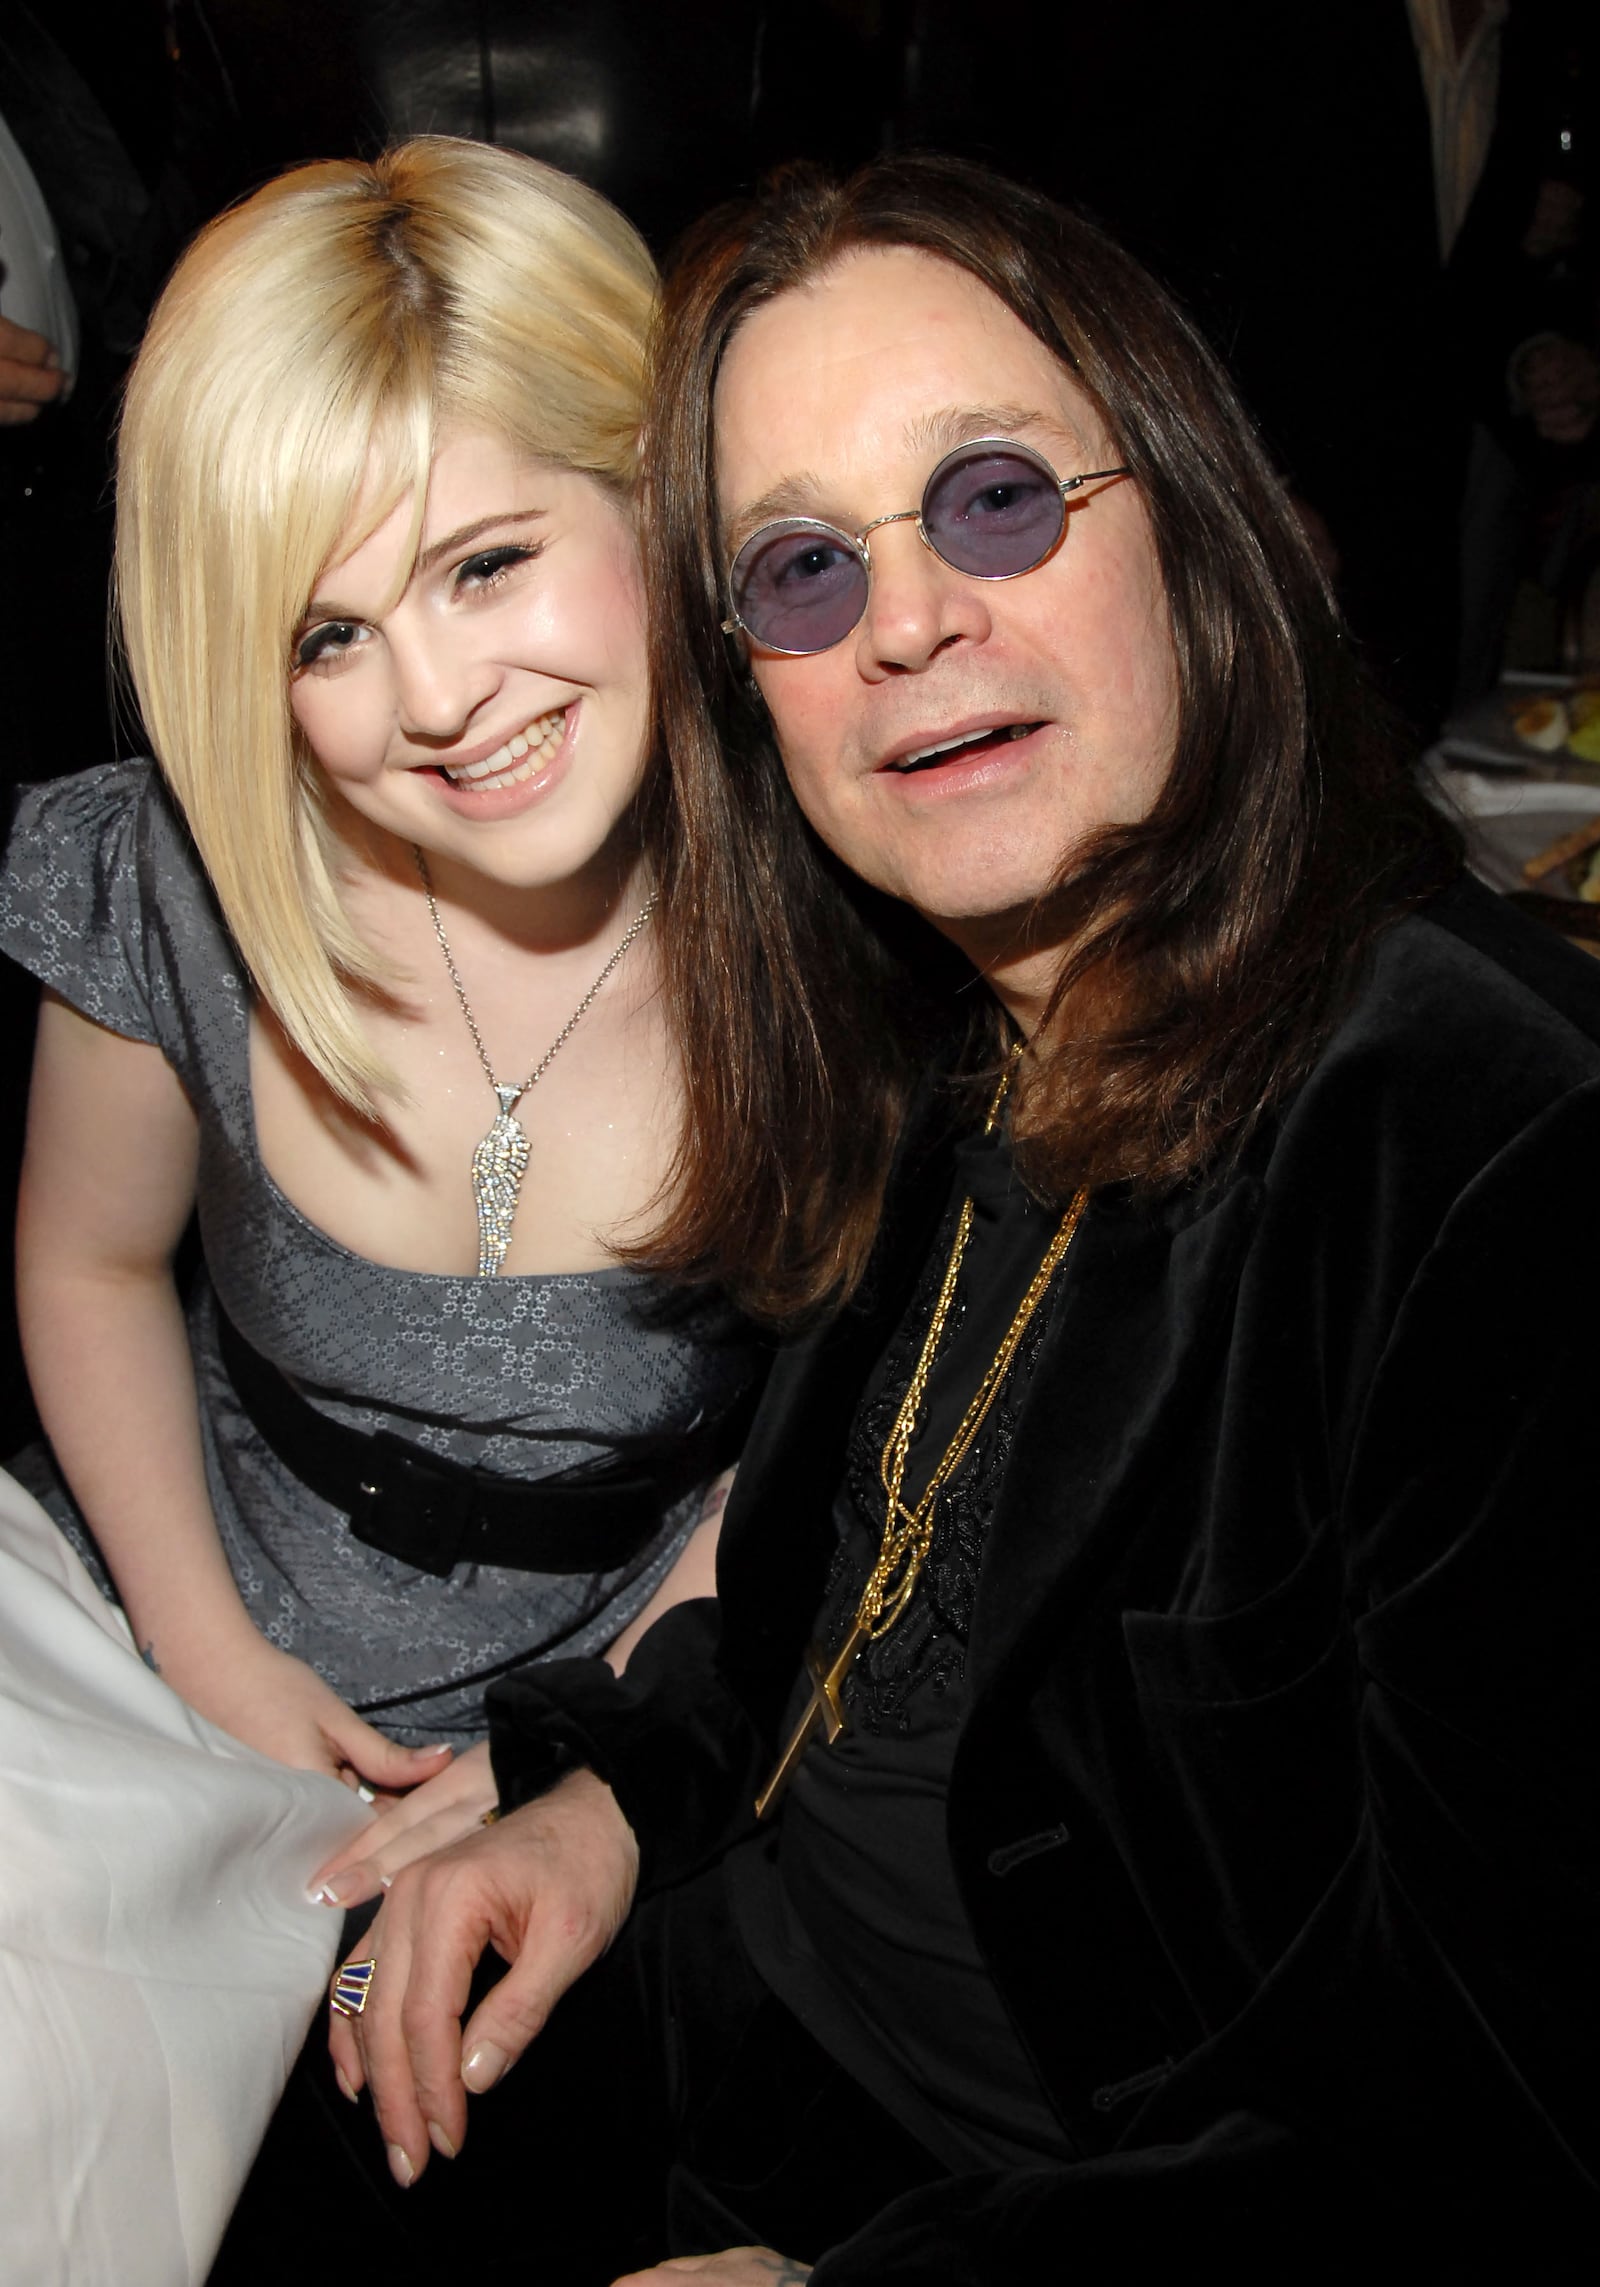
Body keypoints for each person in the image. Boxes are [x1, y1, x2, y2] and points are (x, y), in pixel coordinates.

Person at [276, 157, 1598, 2279]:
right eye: (796, 569)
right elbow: (834, 1593)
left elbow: (1503, 2129)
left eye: (990, 500)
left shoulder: (1489, 1148)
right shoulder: (938, 1023)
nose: (901, 620)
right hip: (741, 2013)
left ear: (1192, 511)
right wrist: (604, 1806)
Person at [0, 138, 764, 1904]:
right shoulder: (174, 877)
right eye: (325, 634)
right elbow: (89, 1266)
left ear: (653, 485)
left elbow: (834, 1450)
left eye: (487, 563)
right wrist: (212, 1660)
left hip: (625, 1706)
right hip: (155, 1644)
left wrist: (597, 1745)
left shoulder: (829, 918)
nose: (437, 702)